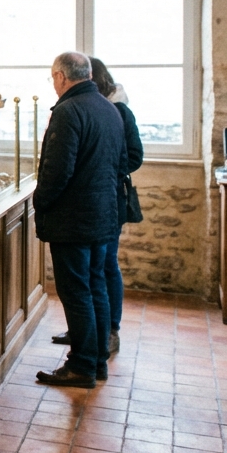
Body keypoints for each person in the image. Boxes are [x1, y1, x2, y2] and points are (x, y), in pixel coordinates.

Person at [33, 51, 127, 388]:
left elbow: (58, 170)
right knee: (96, 287)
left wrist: (40, 202)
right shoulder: (108, 107)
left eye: (52, 79)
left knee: (76, 292)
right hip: (102, 214)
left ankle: (82, 365)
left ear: (60, 77)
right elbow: (120, 163)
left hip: (73, 219)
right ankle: (97, 360)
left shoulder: (69, 110)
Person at [51, 58, 143, 355]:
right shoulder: (97, 108)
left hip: (103, 201)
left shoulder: (115, 110)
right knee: (91, 277)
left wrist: (102, 173)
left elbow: (132, 156)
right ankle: (89, 337)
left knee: (102, 271)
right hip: (99, 199)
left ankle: (106, 335)